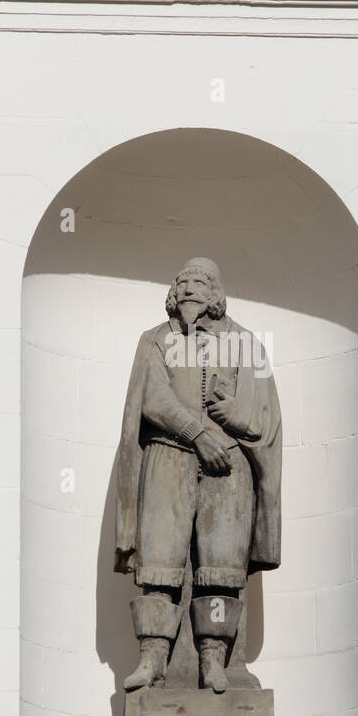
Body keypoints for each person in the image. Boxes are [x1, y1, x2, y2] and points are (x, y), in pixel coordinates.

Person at [114, 258, 282, 692]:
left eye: (201, 282)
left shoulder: (244, 344)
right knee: (160, 563)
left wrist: (236, 417)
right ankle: (152, 658)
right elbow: (152, 399)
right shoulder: (155, 340)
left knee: (221, 566)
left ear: (217, 294)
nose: (190, 288)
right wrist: (196, 434)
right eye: (182, 281)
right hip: (168, 457)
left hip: (228, 466)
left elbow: (264, 414)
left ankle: (214, 658)